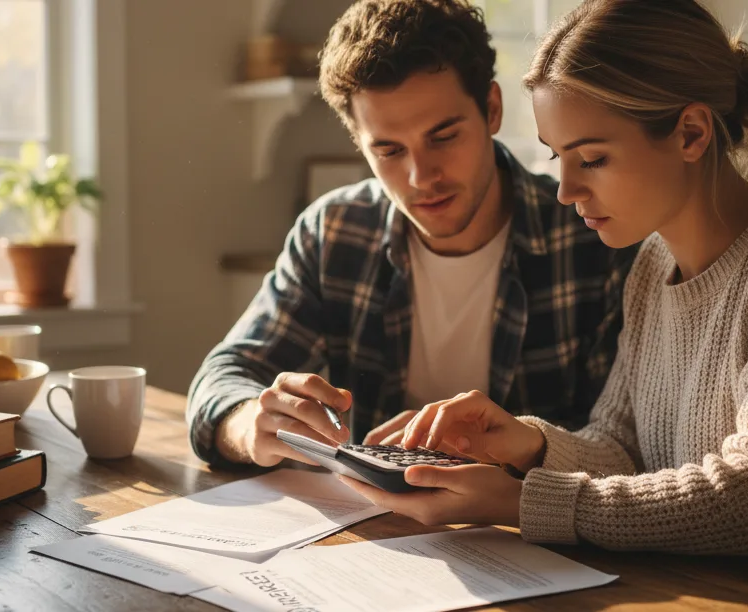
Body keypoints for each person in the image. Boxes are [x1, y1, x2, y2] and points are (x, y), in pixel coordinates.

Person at [338, 0, 748, 585]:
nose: (566, 190)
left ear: (691, 132)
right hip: (701, 592)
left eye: (593, 159)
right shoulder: (653, 264)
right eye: (560, 159)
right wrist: (527, 444)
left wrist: (518, 502)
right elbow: (623, 448)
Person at [185, 0, 636, 470]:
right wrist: (248, 424)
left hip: (528, 533)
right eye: (389, 150)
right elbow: (223, 377)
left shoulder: (591, 237)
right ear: (359, 144)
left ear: (492, 109)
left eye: (443, 137)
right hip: (370, 531)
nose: (421, 177)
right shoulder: (333, 234)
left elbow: (623, 446)